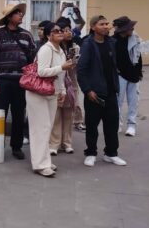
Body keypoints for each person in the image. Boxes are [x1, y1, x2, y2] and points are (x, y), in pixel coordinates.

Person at [0, 3, 36, 160]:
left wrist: (30, 79)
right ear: (9, 17)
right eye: (17, 13)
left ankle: (17, 146)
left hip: (21, 83)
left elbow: (33, 59)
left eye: (21, 13)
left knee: (19, 115)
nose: (21, 15)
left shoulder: (27, 36)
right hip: (2, 82)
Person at [77, 15, 127, 167]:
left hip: (111, 91)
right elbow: (81, 70)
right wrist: (87, 90)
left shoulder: (111, 43)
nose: (106, 26)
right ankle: (91, 153)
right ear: (93, 27)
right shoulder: (88, 44)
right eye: (102, 24)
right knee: (92, 125)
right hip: (94, 93)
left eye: (107, 24)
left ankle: (111, 153)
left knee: (111, 125)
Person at [27, 22, 71, 177]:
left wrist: (63, 90)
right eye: (56, 31)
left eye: (61, 30)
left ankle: (44, 160)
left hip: (52, 93)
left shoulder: (61, 50)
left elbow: (62, 76)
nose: (60, 32)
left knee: (47, 127)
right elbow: (41, 72)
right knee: (41, 128)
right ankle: (40, 164)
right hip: (38, 93)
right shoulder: (46, 49)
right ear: (48, 35)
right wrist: (62, 67)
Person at [49, 21, 79, 155]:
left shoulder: (74, 46)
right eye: (63, 30)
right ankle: (54, 144)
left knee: (68, 114)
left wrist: (75, 59)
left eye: (68, 30)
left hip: (70, 83)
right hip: (56, 84)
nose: (67, 32)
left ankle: (67, 143)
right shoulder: (54, 48)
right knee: (55, 115)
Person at [113, 16, 143, 136]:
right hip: (119, 75)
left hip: (134, 75)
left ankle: (131, 125)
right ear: (122, 29)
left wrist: (139, 72)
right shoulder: (112, 41)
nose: (132, 28)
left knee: (133, 101)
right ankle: (117, 124)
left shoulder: (135, 39)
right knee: (117, 102)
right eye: (130, 27)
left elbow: (139, 56)